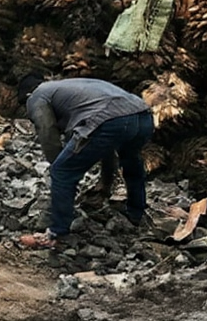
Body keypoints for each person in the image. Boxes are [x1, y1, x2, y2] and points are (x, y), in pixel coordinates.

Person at [15, 75, 155, 249]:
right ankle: (136, 213)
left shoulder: (37, 95)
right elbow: (107, 144)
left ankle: (56, 234)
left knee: (61, 171)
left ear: (28, 95)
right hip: (143, 115)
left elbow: (47, 130)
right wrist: (105, 184)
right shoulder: (71, 88)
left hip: (110, 119)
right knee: (131, 162)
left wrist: (59, 166)